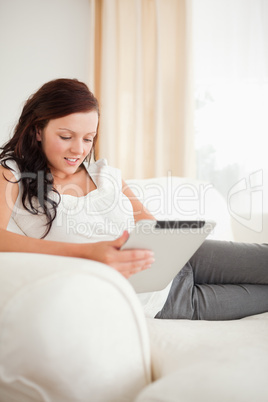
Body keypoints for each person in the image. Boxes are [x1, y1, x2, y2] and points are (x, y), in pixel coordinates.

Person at [0, 78, 267, 320]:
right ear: (38, 130)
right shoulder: (12, 173)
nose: (78, 149)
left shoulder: (103, 173)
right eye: (66, 137)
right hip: (160, 299)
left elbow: (148, 223)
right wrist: (89, 253)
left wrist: (175, 238)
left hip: (184, 259)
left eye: (88, 138)